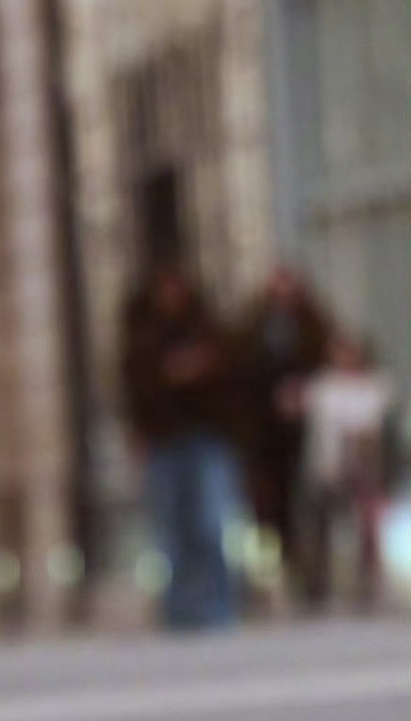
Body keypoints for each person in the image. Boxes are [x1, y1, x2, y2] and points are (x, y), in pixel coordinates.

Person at [119, 258, 246, 631]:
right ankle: (177, 611)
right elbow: (134, 392)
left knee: (210, 522)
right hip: (164, 441)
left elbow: (237, 380)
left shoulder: (210, 333)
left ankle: (221, 607)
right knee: (170, 528)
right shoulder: (142, 339)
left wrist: (202, 369)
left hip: (208, 437)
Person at [233, 260, 335, 588]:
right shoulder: (254, 328)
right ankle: (279, 568)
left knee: (310, 501)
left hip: (309, 430)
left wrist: (304, 391)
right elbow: (243, 371)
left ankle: (312, 571)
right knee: (270, 504)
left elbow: (327, 362)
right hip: (265, 432)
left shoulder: (313, 326)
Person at [297, 332, 397, 608]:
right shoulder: (323, 387)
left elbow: (379, 429)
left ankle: (368, 583)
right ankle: (318, 586)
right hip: (329, 465)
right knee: (321, 525)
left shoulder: (376, 386)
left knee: (368, 526)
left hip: (365, 466)